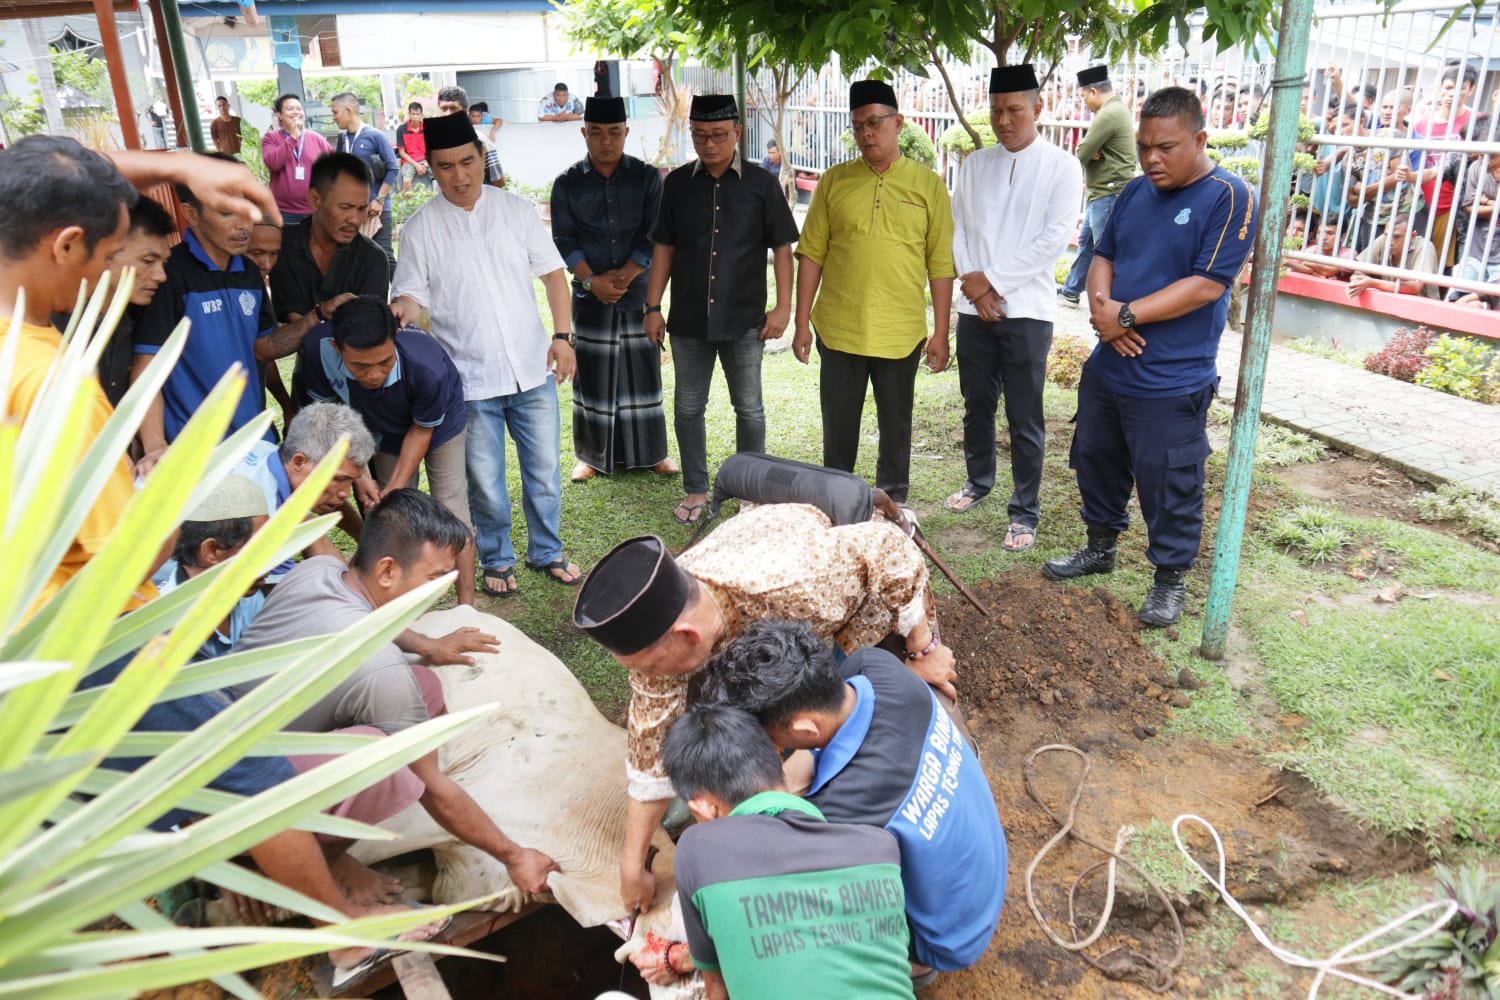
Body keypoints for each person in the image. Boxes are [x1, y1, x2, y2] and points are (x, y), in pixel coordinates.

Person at [570, 503, 959, 917]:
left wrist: (923, 648)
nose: (644, 680)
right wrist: (632, 863)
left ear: (687, 635)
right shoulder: (663, 628)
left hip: (838, 566)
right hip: (751, 573)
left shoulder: (800, 583)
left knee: (850, 694)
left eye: (647, 668)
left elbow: (889, 550)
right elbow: (649, 747)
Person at [233, 489, 560, 895]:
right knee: (393, 768)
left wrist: (427, 646)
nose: (441, 590)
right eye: (435, 579)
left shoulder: (316, 571)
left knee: (423, 687)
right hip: (235, 809)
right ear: (387, 571)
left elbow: (369, 615)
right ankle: (318, 863)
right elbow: (434, 792)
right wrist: (514, 855)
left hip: (224, 750)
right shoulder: (380, 669)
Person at [1043, 87, 1257, 628]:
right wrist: (1103, 315)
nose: (1152, 159)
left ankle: (1169, 579)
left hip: (1171, 377)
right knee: (1094, 457)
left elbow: (1207, 285)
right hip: (1110, 362)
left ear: (1199, 139)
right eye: (1143, 147)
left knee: (1170, 481)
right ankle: (1100, 546)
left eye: (1165, 147)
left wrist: (1127, 316)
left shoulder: (1229, 196)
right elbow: (1103, 255)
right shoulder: (1135, 192)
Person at [696, 620, 1006, 986]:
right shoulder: (876, 666)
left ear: (805, 730)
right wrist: (799, 766)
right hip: (988, 865)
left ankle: (916, 967)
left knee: (794, 920)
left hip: (950, 937)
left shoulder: (840, 817)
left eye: (769, 737)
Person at [390, 112, 584, 596]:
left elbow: (554, 275)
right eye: (445, 165)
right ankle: (497, 558)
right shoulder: (419, 229)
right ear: (430, 168)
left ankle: (547, 550)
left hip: (531, 368)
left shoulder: (515, 211)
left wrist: (562, 336)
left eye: (467, 162)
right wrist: (401, 307)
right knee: (487, 484)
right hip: (469, 381)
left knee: (544, 473)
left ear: (482, 157)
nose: (459, 176)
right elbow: (413, 296)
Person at [657, 704, 916, 1000]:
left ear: (702, 807)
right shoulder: (879, 848)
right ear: (779, 764)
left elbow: (718, 988)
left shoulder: (695, 849)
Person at [0, 135, 147, 613]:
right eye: (108, 258)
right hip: (81, 640)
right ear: (66, 245)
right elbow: (127, 557)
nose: (111, 274)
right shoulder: (53, 385)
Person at [792, 79, 955, 505]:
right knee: (839, 427)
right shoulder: (834, 182)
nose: (866, 133)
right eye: (858, 125)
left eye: (875, 123)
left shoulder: (928, 186)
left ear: (898, 124)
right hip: (839, 327)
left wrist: (940, 332)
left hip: (900, 331)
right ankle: (837, 502)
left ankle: (893, 506)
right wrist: (800, 321)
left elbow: (940, 264)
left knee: (896, 426)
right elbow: (811, 254)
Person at [947, 64, 1084, 556]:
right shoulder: (974, 164)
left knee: (1025, 416)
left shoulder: (1064, 167)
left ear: (1038, 109)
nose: (1004, 120)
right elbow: (958, 231)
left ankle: (1024, 511)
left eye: (1014, 110)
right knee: (976, 405)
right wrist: (977, 289)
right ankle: (978, 481)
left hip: (1027, 310)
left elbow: (1052, 241)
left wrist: (994, 281)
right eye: (996, 110)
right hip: (974, 309)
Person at [645, 95, 799, 525]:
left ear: (736, 133)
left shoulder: (761, 184)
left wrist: (783, 308)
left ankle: (751, 489)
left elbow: (783, 250)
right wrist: (653, 306)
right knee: (688, 407)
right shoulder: (676, 184)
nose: (708, 143)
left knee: (749, 407)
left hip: (745, 320)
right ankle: (696, 487)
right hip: (689, 321)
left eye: (717, 135)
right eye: (700, 135)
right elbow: (664, 248)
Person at [130, 157, 331, 475]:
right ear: (191, 214)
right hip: (198, 452)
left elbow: (262, 348)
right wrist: (155, 446)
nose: (243, 225)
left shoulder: (248, 272)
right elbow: (146, 369)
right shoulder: (170, 276)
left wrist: (315, 318)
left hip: (254, 441)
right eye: (226, 212)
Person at [301, 296, 476, 605]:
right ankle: (397, 607)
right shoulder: (317, 350)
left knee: (451, 511)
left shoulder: (425, 367)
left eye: (385, 362)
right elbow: (333, 421)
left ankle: (467, 606)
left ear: (395, 339)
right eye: (360, 366)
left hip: (437, 426)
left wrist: (395, 484)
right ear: (336, 348)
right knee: (392, 517)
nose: (373, 375)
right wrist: (360, 476)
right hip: (375, 429)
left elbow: (422, 430)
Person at [551, 97, 675, 483]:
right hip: (590, 296)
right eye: (598, 133)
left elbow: (655, 232)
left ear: (626, 133)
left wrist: (625, 274)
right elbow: (564, 239)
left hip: (638, 292)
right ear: (584, 133)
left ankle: (653, 453)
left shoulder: (647, 177)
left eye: (615, 133)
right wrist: (593, 280)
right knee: (592, 375)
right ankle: (591, 456)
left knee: (642, 371)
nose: (606, 141)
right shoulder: (567, 183)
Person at [52, 195, 177, 409]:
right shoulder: (52, 322)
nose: (161, 276)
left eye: (163, 263)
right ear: (106, 252)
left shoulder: (127, 320)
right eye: (148, 261)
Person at [269, 152, 390, 335]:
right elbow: (293, 319)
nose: (355, 220)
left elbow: (365, 333)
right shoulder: (281, 247)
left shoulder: (374, 259)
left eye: (362, 209)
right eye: (345, 207)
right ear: (315, 200)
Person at [152, 473, 270, 660]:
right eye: (258, 549)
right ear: (212, 551)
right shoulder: (158, 628)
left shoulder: (250, 600)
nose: (271, 561)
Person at [1061, 66, 1137, 307]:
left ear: (1093, 91)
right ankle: (1071, 291)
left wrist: (1087, 149)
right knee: (1086, 246)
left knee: (1106, 252)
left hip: (1108, 193)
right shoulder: (1116, 109)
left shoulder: (1108, 114)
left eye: (1083, 96)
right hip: (1104, 192)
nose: (1084, 103)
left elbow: (1081, 151)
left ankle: (1116, 303)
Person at [1407, 64, 1479, 269]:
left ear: (1471, 90)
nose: (1452, 94)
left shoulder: (1475, 122)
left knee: (1443, 266)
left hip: (1454, 206)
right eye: (1448, 88)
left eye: (1460, 88)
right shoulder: (1422, 123)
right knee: (1415, 261)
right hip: (1420, 204)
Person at [330, 92, 400, 278]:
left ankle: (406, 298)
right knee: (357, 258)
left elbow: (393, 168)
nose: (333, 117)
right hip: (353, 211)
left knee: (385, 255)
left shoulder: (374, 135)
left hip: (376, 208)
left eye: (335, 112)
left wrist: (379, 199)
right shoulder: (342, 139)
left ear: (349, 110)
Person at [261, 94, 332, 226]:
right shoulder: (271, 138)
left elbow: (334, 169)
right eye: (290, 109)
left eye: (299, 109)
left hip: (315, 210)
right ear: (280, 115)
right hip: (285, 212)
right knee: (288, 246)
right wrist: (293, 137)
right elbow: (273, 163)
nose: (296, 112)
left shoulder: (317, 139)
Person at [1449, 143, 1500, 300]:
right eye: (1480, 155)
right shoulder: (1476, 168)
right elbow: (1470, 208)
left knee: (1490, 302)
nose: (1484, 160)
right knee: (1457, 296)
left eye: (1490, 156)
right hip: (1476, 250)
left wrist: (1485, 201)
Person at [1347, 217, 1440, 299]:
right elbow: (1358, 271)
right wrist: (1357, 282)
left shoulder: (1425, 247)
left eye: (1397, 237)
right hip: (1390, 303)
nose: (1390, 242)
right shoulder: (1384, 239)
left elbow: (1415, 287)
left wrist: (1371, 283)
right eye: (1387, 235)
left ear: (1412, 236)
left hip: (1421, 308)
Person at [435, 86, 506, 188]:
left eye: (453, 108)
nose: (448, 114)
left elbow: (499, 181)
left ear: (465, 112)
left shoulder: (479, 140)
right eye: (444, 109)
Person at [1288, 217, 1355, 279]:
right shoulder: (1311, 250)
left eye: (1330, 233)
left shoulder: (1348, 254)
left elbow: (1329, 271)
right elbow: (1295, 265)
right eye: (1320, 233)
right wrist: (1312, 271)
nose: (1323, 237)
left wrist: (1307, 263)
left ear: (1342, 236)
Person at [395, 102, 431, 192]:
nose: (415, 116)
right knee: (407, 182)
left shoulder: (428, 128)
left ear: (421, 115)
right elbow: (401, 152)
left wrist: (427, 162)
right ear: (409, 114)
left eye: (417, 114)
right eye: (413, 114)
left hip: (425, 160)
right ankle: (411, 205)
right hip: (409, 161)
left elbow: (432, 149)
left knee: (443, 176)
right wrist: (417, 165)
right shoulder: (401, 129)